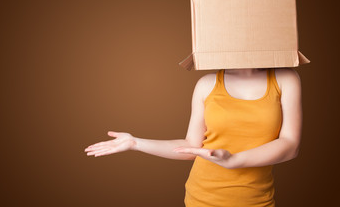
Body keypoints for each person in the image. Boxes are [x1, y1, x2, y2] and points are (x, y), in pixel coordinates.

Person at [85, 67, 302, 207]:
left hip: (256, 199)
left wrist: (234, 160)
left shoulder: (285, 78)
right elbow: (191, 146)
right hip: (202, 198)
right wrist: (135, 143)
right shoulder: (207, 84)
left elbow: (290, 145)